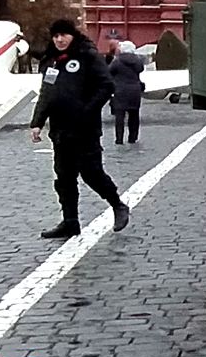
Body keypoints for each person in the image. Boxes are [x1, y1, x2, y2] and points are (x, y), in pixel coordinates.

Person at [29, 18, 129, 239]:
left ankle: (118, 205)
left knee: (92, 173)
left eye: (63, 35)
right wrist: (37, 122)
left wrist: (87, 110)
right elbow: (47, 93)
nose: (59, 40)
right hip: (60, 129)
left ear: (72, 35)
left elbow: (106, 85)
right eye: (56, 36)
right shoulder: (51, 61)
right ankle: (70, 221)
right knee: (64, 177)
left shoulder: (87, 56)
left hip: (85, 129)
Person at [107, 41, 147, 146]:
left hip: (120, 90)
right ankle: (133, 137)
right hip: (135, 90)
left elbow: (109, 71)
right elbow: (141, 69)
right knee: (134, 115)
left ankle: (119, 139)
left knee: (120, 116)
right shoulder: (138, 61)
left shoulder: (117, 61)